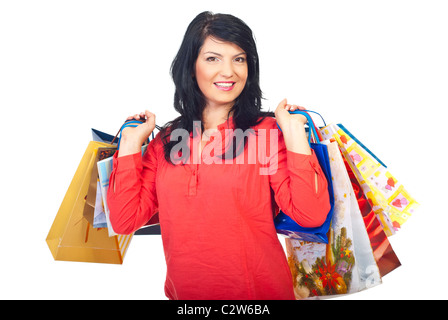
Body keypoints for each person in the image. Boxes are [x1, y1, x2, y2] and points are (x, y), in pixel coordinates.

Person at [107, 11, 330, 300]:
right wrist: (129, 144)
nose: (229, 71)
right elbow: (125, 221)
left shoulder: (266, 133)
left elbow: (310, 215)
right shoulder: (166, 142)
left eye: (239, 59)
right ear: (191, 67)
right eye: (213, 58)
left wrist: (295, 135)